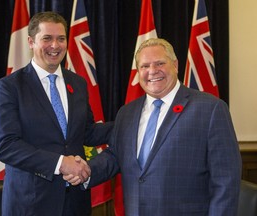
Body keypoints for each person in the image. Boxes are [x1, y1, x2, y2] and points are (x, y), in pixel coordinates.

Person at [66, 38, 242, 215]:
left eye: (159, 63)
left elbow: (226, 179)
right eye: (144, 66)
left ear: (175, 65)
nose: (152, 71)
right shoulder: (127, 113)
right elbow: (116, 156)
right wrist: (86, 170)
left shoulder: (210, 109)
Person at [0, 11, 112, 216]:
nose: (55, 46)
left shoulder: (78, 83)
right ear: (31, 42)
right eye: (47, 38)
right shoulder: (10, 86)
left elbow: (87, 132)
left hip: (75, 201)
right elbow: (6, 145)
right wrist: (60, 163)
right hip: (31, 203)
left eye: (61, 39)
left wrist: (131, 120)